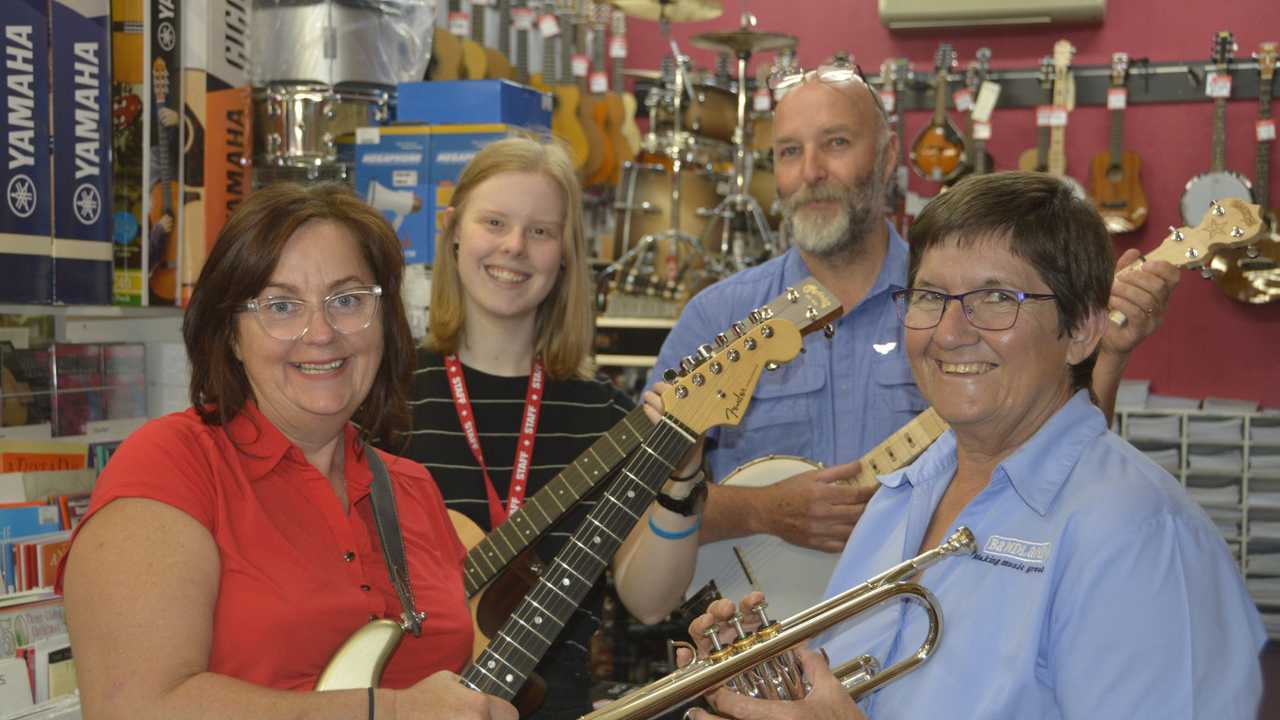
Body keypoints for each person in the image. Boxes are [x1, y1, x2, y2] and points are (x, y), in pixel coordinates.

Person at [683, 171, 1265, 720]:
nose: (950, 332)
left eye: (997, 298)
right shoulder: (898, 499)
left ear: (1083, 330)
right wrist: (773, 687)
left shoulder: (1141, 535)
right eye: (929, 296)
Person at [651, 57, 1181, 554]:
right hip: (761, 632)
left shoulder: (967, 313)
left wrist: (1107, 357)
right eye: (789, 151)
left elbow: (1064, 471)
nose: (810, 171)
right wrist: (760, 511)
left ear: (886, 159)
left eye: (835, 143)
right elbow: (635, 503)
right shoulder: (716, 318)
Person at [58, 183, 516, 720]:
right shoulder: (171, 466)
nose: (320, 333)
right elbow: (131, 709)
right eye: (280, 305)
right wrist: (388, 712)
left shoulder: (413, 489)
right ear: (231, 334)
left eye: (347, 301)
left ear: (385, 322)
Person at [403, 136, 702, 719]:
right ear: (453, 229)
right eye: (495, 222)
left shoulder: (607, 415)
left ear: (564, 254)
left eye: (541, 232)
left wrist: (682, 482)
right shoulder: (385, 394)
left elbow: (649, 601)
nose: (514, 247)